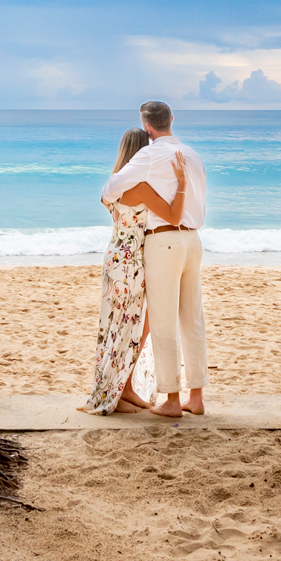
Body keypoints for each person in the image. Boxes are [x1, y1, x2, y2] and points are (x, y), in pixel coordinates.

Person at [102, 100, 209, 418]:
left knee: (163, 322)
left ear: (147, 127)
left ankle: (173, 400)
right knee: (192, 320)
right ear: (172, 119)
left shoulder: (148, 155)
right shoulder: (192, 155)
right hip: (193, 240)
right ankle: (197, 397)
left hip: (164, 241)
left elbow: (111, 189)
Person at [81, 128, 182, 414]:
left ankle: (123, 388)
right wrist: (183, 184)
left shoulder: (111, 187)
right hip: (132, 262)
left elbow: (114, 213)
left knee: (117, 324)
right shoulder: (141, 188)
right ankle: (121, 391)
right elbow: (173, 215)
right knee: (135, 323)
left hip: (115, 257)